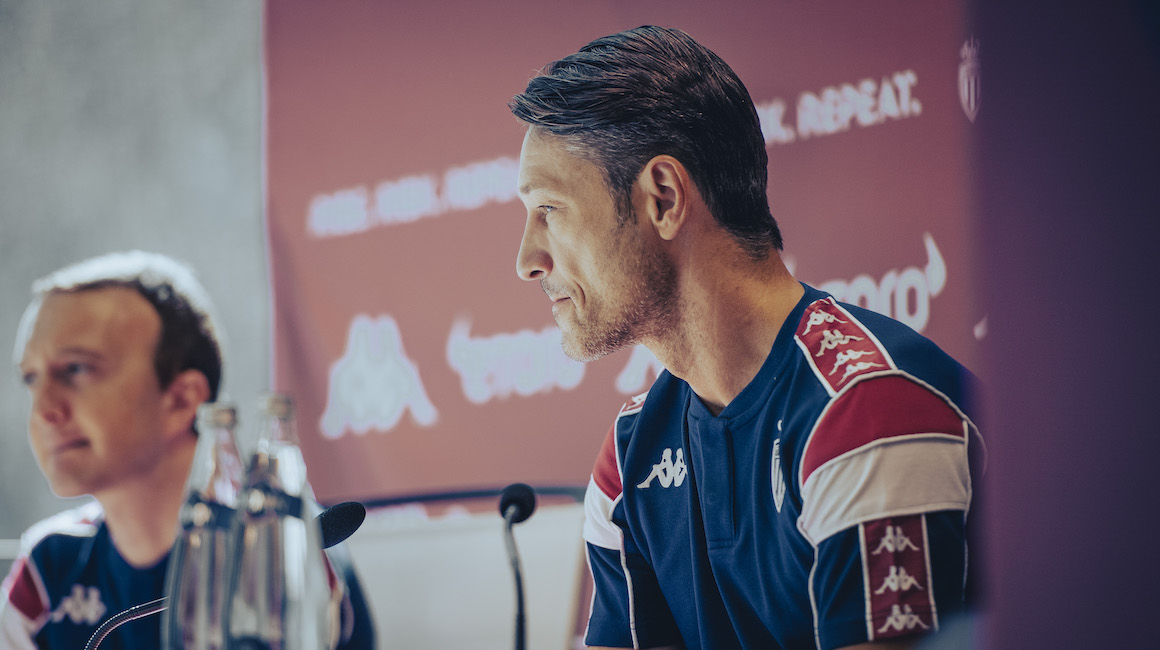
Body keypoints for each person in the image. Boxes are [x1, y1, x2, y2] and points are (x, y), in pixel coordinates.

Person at [510, 26, 983, 650]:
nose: (527, 260)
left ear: (663, 198)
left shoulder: (867, 410)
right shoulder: (628, 460)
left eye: (549, 210)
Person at [0, 251, 375, 649]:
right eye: (31, 378)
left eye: (76, 369)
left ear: (182, 399)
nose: (43, 410)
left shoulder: (286, 550)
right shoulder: (48, 567)